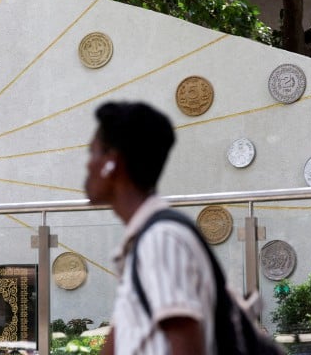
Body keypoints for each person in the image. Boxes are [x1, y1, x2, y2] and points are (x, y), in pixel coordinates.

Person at [84, 101, 216, 355]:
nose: (88, 165)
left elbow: (187, 345)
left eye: (94, 153)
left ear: (113, 162)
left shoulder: (160, 239)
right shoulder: (145, 239)